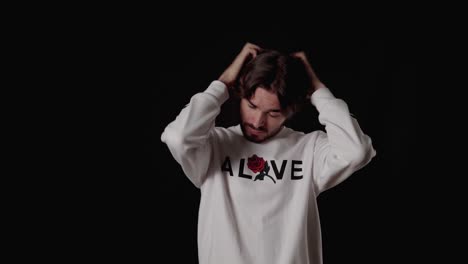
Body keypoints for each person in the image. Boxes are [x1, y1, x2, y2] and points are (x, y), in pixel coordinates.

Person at [161, 42, 377, 264]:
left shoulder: (309, 149)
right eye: (252, 106)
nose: (257, 122)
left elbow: (357, 151)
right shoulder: (213, 146)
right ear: (239, 95)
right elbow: (178, 137)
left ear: (291, 110)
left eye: (273, 112)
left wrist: (317, 89)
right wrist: (223, 84)